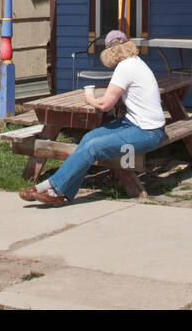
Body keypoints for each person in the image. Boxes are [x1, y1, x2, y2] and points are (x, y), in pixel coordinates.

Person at [20, 29, 165, 205]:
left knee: (94, 146)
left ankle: (52, 188)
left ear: (111, 52)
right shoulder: (136, 62)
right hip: (137, 124)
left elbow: (105, 105)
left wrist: (90, 99)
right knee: (89, 137)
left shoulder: (125, 67)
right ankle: (63, 192)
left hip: (147, 132)